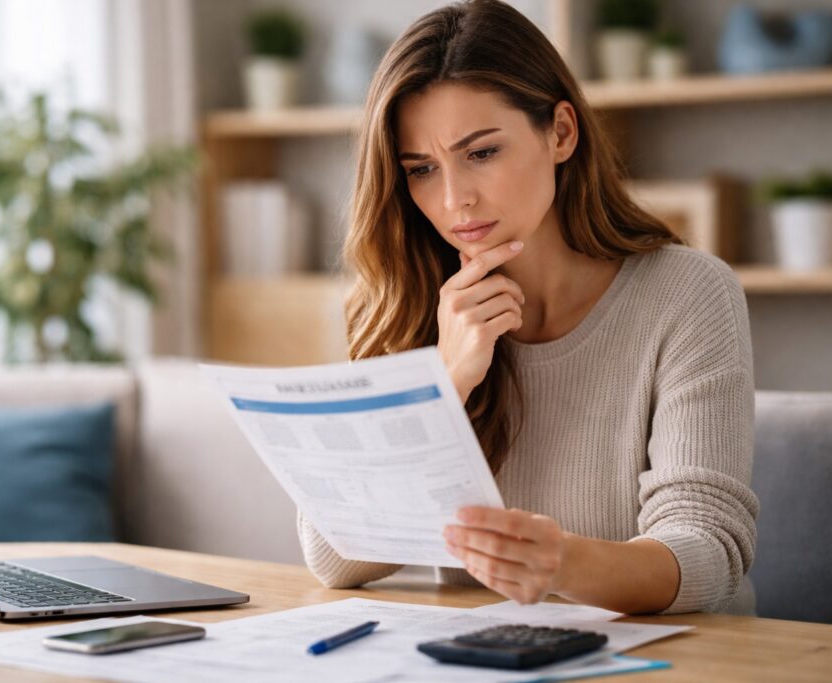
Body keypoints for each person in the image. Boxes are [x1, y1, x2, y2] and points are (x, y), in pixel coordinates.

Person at [297, 0, 758, 615]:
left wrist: (562, 564)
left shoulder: (687, 294)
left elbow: (709, 551)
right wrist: (445, 379)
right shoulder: (412, 303)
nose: (456, 198)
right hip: (485, 660)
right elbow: (333, 557)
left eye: (482, 152)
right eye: (422, 169)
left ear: (561, 132)